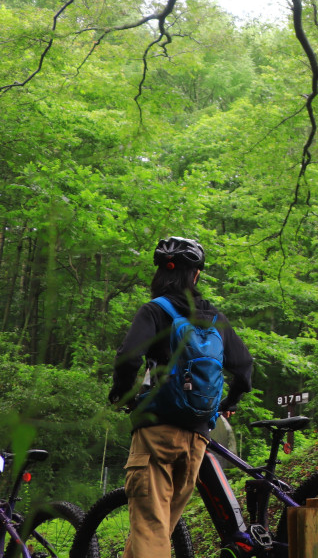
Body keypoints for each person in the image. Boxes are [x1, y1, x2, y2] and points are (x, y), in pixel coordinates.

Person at [108, 236, 254, 558]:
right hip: (197, 440)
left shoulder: (155, 311)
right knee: (157, 529)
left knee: (150, 529)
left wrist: (121, 393)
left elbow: (128, 359)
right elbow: (244, 370)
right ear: (196, 275)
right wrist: (226, 405)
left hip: (156, 434)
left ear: (160, 274)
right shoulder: (215, 319)